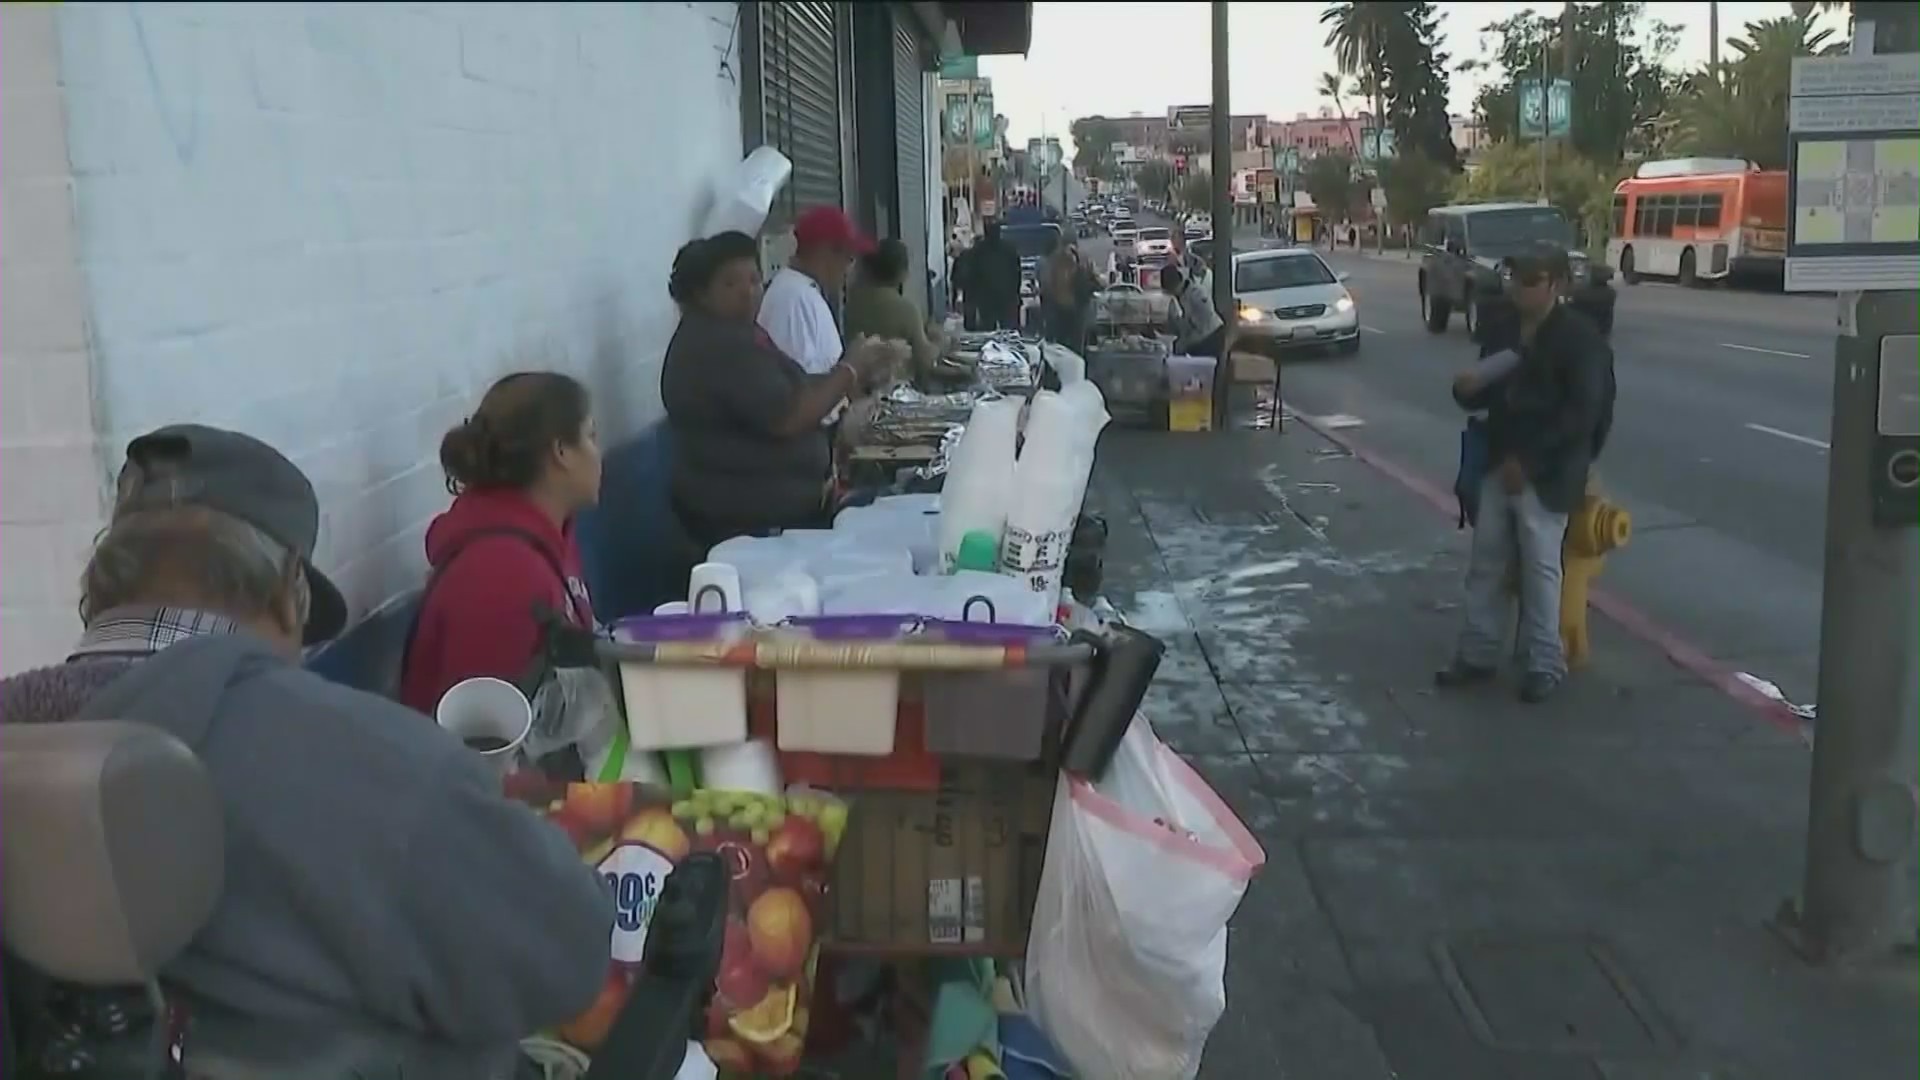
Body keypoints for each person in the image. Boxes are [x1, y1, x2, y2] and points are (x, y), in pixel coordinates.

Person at [0, 424, 610, 1076]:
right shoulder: (377, 764)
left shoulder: (21, 738)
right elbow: (566, 954)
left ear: (103, 590)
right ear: (288, 592)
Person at [1438, 243, 1617, 703]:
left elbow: (1585, 413)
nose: (1518, 289)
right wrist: (1466, 390)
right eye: (1514, 278)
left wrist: (1533, 462)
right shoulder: (1502, 330)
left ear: (1555, 286)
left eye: (1530, 281)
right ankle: (1478, 653)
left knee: (1541, 568)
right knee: (1487, 562)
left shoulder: (1578, 338)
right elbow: (1488, 395)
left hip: (1548, 471)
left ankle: (1544, 661)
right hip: (1499, 459)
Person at [662, 231, 896, 548]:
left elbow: (796, 388)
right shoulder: (717, 346)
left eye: (754, 280)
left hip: (787, 506)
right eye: (731, 284)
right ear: (702, 294)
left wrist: (854, 372)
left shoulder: (739, 333)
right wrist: (850, 370)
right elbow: (788, 415)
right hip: (748, 524)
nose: (748, 292)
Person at [399, 372, 602, 716]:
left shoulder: (549, 538)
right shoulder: (501, 575)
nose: (599, 453)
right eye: (591, 435)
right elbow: (483, 749)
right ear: (562, 452)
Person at [757, 205, 873, 378]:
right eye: (849, 259)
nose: (850, 270)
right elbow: (801, 391)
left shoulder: (803, 292)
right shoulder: (794, 298)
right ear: (824, 252)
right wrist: (852, 364)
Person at [846, 237, 947, 380]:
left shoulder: (851, 306)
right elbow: (925, 361)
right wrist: (939, 343)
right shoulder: (906, 310)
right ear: (902, 273)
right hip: (896, 392)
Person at [967, 221, 1022, 332]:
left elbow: (972, 274)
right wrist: (1015, 292)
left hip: (986, 297)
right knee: (1008, 329)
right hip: (1005, 296)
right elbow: (1016, 272)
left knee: (988, 329)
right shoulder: (1009, 249)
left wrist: (974, 296)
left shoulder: (978, 250)